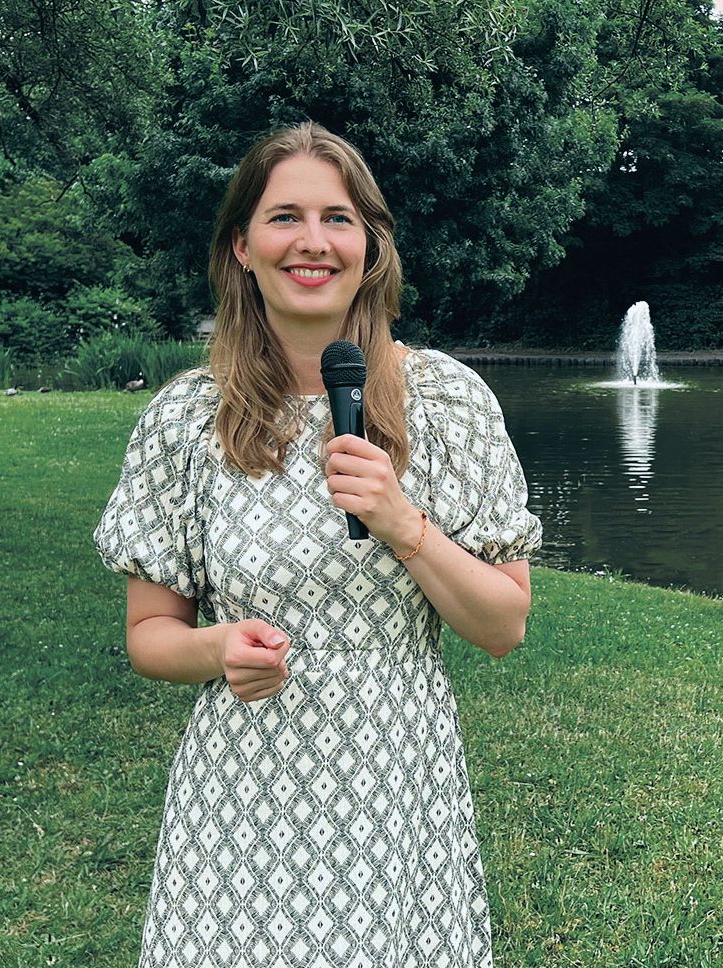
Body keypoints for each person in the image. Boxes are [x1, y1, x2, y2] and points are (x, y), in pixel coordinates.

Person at [93, 121, 540, 968]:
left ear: (370, 245)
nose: (313, 241)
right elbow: (150, 636)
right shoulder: (186, 418)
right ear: (242, 247)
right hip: (240, 791)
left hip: (393, 780)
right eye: (284, 217)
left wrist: (405, 526)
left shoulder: (448, 402)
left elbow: (503, 625)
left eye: (338, 218)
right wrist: (219, 647)